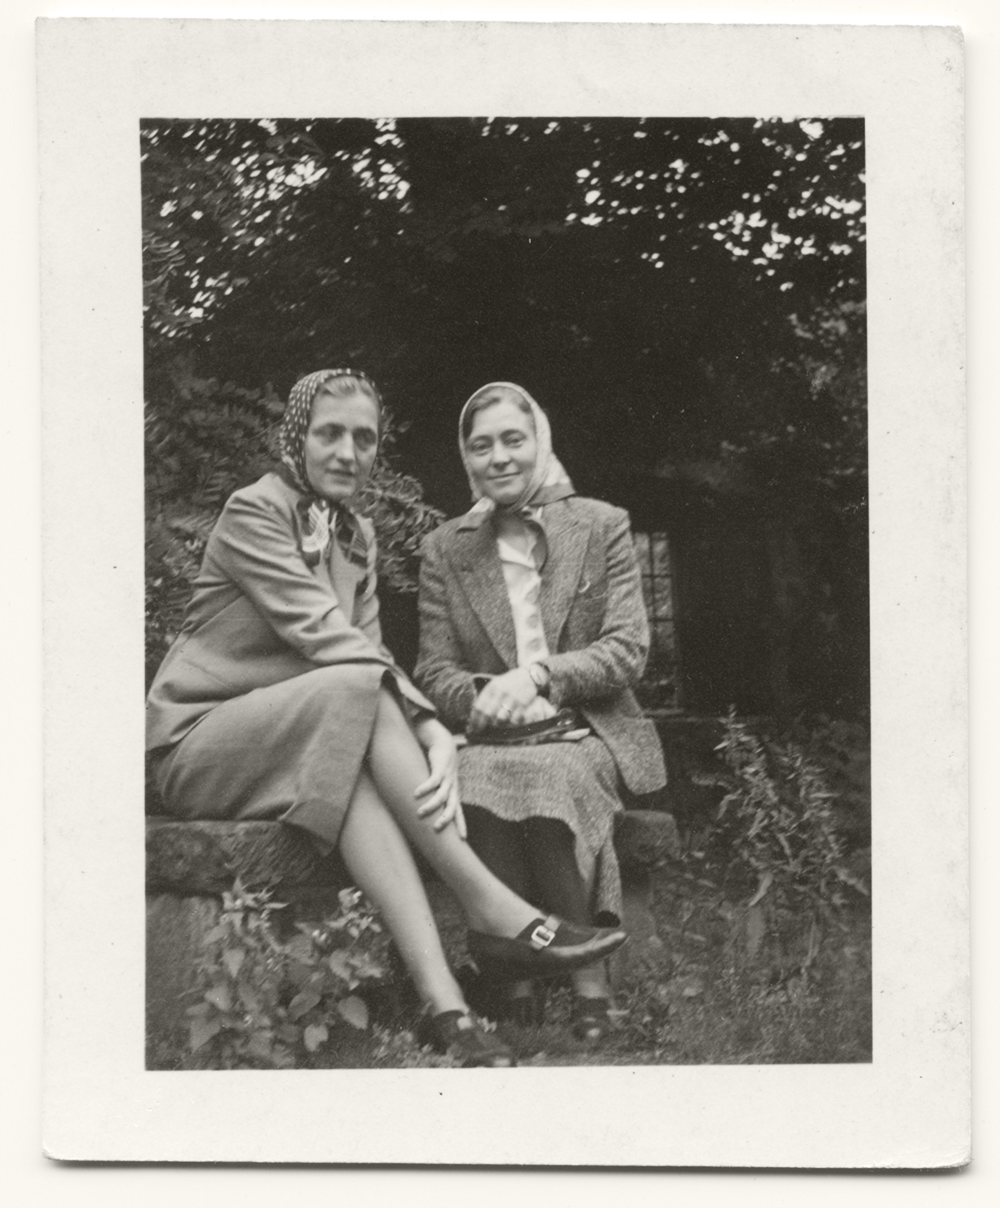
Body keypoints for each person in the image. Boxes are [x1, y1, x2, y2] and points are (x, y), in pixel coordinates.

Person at [145, 368, 628, 1068]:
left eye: (365, 438)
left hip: (303, 738)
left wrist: (427, 728)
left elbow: (369, 652)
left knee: (357, 780)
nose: (348, 452)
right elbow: (330, 640)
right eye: (330, 434)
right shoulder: (255, 511)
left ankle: (447, 1009)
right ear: (297, 438)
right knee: (355, 688)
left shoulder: (357, 536)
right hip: (201, 743)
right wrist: (433, 730)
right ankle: (490, 907)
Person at [415, 382, 667, 1042]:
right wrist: (484, 697)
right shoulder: (445, 548)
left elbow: (628, 649)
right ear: (466, 458)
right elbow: (433, 672)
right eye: (481, 446)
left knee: (549, 776)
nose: (498, 457)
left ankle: (588, 987)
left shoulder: (601, 525)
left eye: (513, 440)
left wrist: (537, 677)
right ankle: (518, 989)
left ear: (540, 441)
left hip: (586, 730)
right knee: (477, 780)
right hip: (493, 736)